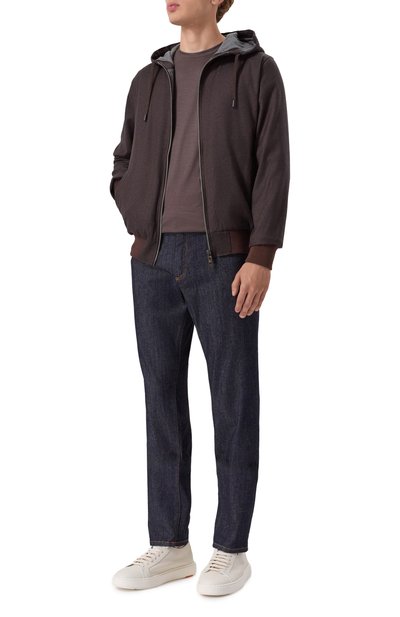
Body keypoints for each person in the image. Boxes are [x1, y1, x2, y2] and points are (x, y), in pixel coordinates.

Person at [110, 0, 290, 596]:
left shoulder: (256, 70)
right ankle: (169, 544)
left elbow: (273, 164)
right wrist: (137, 213)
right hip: (152, 262)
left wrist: (261, 254)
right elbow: (124, 158)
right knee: (160, 401)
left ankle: (231, 549)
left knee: (233, 401)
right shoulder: (148, 77)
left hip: (226, 261)